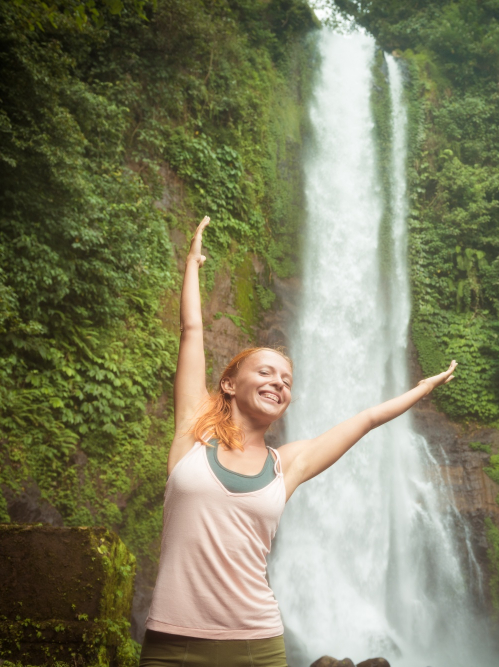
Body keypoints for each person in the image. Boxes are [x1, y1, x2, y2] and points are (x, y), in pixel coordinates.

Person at [139, 216, 457, 667]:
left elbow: (365, 420)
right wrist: (192, 264)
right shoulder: (194, 433)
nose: (278, 383)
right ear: (229, 384)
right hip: (172, 643)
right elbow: (192, 330)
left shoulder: (287, 464)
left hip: (257, 642)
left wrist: (421, 389)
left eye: (286, 380)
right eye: (265, 371)